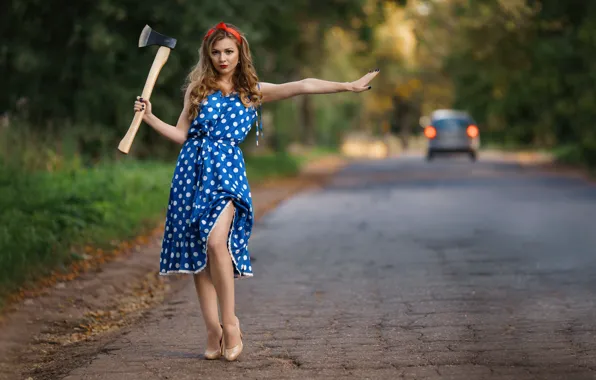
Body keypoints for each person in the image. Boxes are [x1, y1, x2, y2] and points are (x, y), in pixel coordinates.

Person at [133, 22, 379, 362]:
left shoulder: (251, 91)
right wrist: (149, 118)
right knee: (198, 254)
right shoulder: (197, 90)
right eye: (216, 52)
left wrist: (348, 86)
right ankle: (212, 330)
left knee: (217, 242)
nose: (222, 58)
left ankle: (230, 323)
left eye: (228, 52)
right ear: (208, 54)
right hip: (191, 172)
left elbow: (302, 85)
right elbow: (181, 135)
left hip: (227, 173)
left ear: (240, 53)